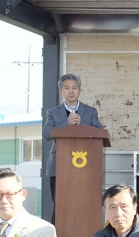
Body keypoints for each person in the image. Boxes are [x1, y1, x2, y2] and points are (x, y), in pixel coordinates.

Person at [42, 73, 103, 210]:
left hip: (86, 165)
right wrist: (66, 124)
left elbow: (100, 132)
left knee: (84, 205)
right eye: (67, 88)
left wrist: (83, 125)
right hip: (59, 166)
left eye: (74, 88)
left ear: (79, 91)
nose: (71, 92)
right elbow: (46, 134)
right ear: (61, 91)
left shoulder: (90, 111)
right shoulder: (53, 112)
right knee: (60, 207)